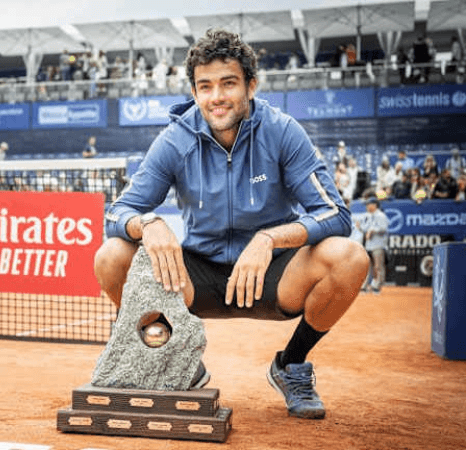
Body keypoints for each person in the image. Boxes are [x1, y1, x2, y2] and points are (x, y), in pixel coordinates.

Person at [94, 28, 369, 420]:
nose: (217, 97)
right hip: (197, 277)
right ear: (194, 92)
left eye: (228, 83)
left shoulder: (282, 131)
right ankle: (179, 358)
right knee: (112, 256)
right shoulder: (175, 139)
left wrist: (270, 238)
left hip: (271, 274)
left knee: (350, 257)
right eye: (205, 86)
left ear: (251, 86)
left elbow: (336, 215)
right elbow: (117, 212)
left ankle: (291, 364)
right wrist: (149, 223)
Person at [361, 198, 389, 294]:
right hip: (368, 245)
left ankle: (377, 287)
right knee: (367, 266)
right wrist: (361, 228)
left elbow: (384, 228)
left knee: (378, 266)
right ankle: (364, 286)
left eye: (368, 204)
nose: (367, 206)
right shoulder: (368, 216)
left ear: (374, 205)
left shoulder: (381, 215)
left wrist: (372, 230)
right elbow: (365, 228)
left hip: (378, 244)